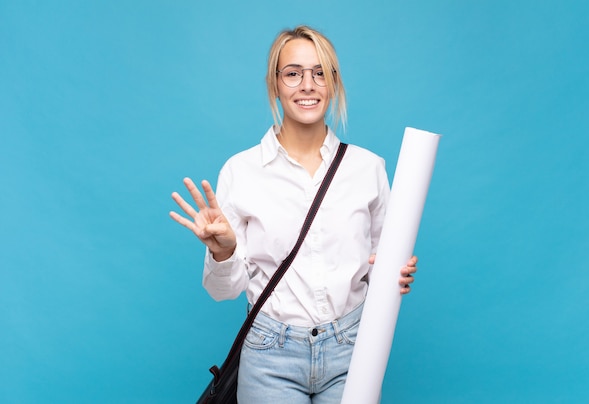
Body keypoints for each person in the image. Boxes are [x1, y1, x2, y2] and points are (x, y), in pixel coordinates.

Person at [170, 25, 417, 404]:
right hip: (271, 353)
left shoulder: (368, 169)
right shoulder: (241, 171)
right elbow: (223, 291)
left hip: (352, 349)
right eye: (293, 73)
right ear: (275, 84)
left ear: (333, 83)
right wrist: (223, 251)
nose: (307, 84)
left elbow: (380, 264)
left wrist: (394, 273)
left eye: (320, 72)